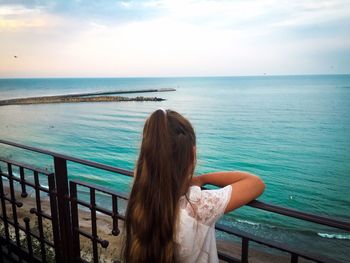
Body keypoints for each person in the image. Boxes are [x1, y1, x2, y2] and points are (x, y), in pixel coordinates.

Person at [123, 109, 265, 263]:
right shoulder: (197, 206)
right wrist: (203, 179)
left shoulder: (139, 199)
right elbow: (256, 183)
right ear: (192, 155)